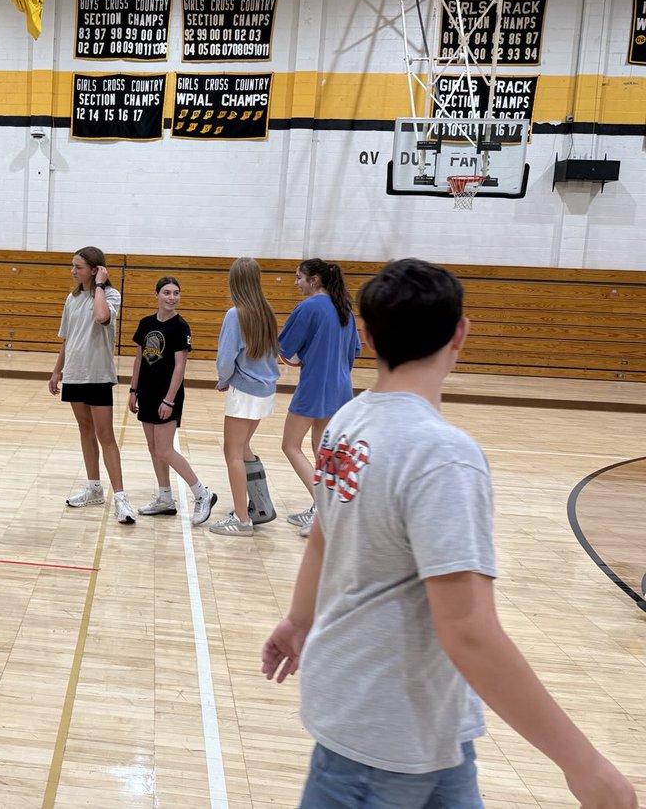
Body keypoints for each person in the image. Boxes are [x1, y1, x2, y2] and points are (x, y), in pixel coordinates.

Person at [261, 258, 638, 809]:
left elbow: (324, 532)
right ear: (460, 333)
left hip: (435, 730)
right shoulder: (443, 456)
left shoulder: (347, 422)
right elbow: (469, 631)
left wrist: (299, 620)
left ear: (366, 337)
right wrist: (586, 765)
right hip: (381, 741)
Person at [48, 247, 134, 524]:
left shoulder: (110, 295)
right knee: (85, 430)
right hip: (75, 374)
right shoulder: (71, 299)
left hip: (98, 375)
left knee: (105, 435)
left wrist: (98, 286)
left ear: (95, 270)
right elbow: (67, 338)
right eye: (73, 266)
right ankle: (94, 488)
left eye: (79, 267)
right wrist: (57, 371)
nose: (73, 271)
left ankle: (120, 497)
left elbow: (101, 317)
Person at [278, 258, 360, 537]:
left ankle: (324, 509)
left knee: (290, 446)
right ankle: (323, 508)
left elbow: (285, 348)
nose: (296, 282)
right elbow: (353, 352)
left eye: (299, 277)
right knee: (322, 449)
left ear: (314, 280)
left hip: (315, 385)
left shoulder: (309, 307)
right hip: (341, 387)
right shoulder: (344, 308)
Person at [128, 276, 216, 524]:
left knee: (165, 449)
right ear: (156, 295)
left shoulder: (180, 327)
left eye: (176, 293)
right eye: (166, 292)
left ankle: (202, 493)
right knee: (153, 448)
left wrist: (168, 400)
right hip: (146, 392)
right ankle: (165, 498)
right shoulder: (145, 323)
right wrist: (133, 390)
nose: (172, 297)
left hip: (168, 395)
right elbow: (139, 359)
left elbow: (180, 366)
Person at [209, 257, 280, 536]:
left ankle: (242, 520)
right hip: (265, 391)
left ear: (234, 281)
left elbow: (226, 358)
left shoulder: (236, 314)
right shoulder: (267, 311)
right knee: (244, 447)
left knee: (233, 453)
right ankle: (261, 508)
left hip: (246, 390)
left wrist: (223, 380)